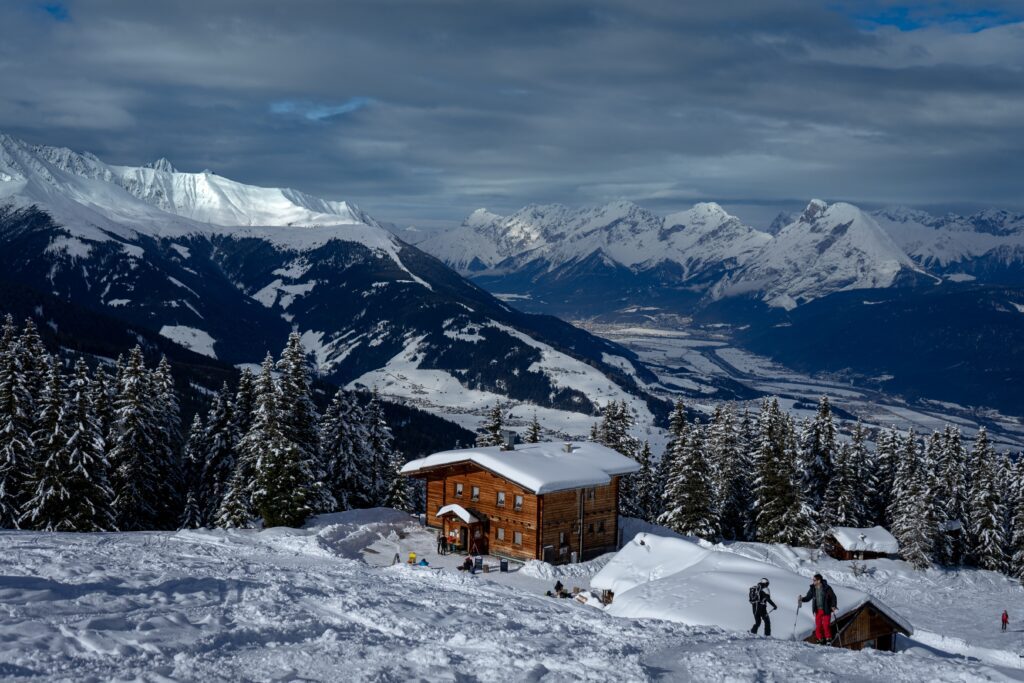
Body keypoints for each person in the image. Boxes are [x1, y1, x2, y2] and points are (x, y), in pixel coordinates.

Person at [798, 574, 837, 645]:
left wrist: (833, 606)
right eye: (813, 580)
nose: (813, 581)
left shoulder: (827, 588)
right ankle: (820, 639)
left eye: (814, 580)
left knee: (826, 625)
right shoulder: (813, 588)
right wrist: (802, 599)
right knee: (818, 626)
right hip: (818, 610)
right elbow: (808, 597)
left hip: (826, 610)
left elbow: (833, 597)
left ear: (819, 580)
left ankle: (828, 639)